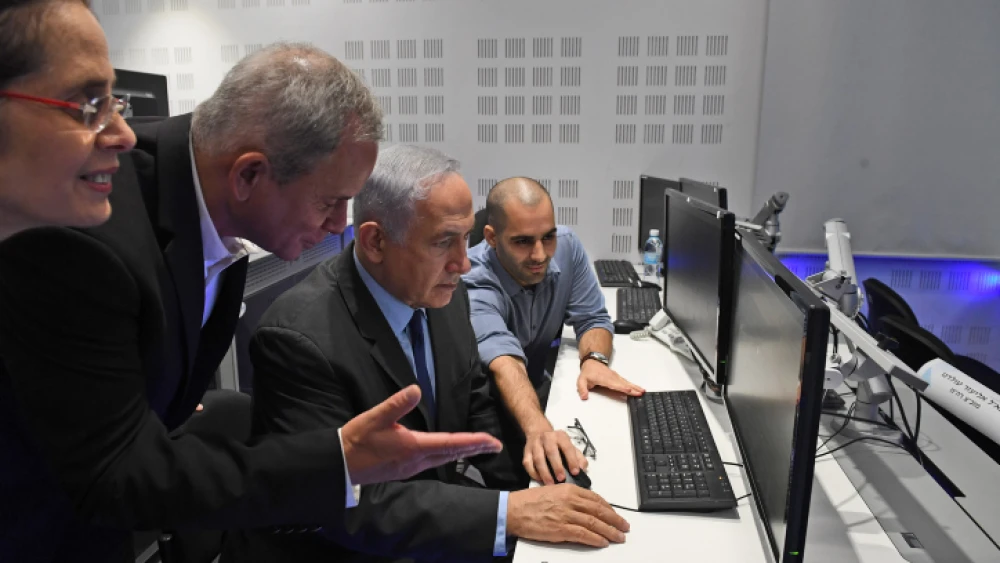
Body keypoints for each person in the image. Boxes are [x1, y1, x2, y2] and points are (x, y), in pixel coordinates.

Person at [0, 5, 502, 559]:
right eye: (331, 203)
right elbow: (117, 476)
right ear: (249, 175)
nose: (343, 226)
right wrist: (336, 460)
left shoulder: (205, 220)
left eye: (113, 101)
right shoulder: (85, 232)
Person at [228, 145, 630, 562]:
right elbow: (342, 504)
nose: (464, 263)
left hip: (428, 522)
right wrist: (506, 514)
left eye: (466, 240)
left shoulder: (442, 294)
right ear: (375, 240)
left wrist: (542, 480)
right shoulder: (297, 339)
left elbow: (475, 405)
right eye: (443, 243)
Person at [463, 177, 646, 487]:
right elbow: (503, 361)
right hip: (487, 402)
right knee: (537, 485)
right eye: (522, 241)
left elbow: (593, 318)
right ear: (492, 238)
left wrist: (594, 360)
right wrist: (538, 429)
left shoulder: (567, 246)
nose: (539, 254)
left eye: (547, 237)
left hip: (534, 387)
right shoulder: (473, 280)